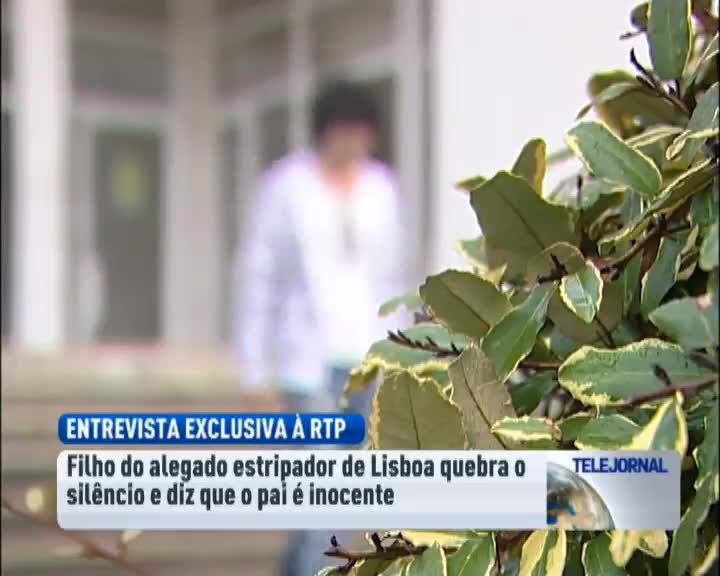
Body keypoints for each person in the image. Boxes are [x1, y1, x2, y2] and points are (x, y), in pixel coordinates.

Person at [232, 80, 405, 575]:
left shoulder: (381, 188)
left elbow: (393, 278)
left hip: (366, 360)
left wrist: (402, 355)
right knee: (322, 494)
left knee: (341, 496)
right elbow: (259, 279)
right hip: (306, 363)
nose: (352, 143)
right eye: (343, 132)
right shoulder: (287, 187)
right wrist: (254, 369)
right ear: (324, 131)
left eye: (361, 133)